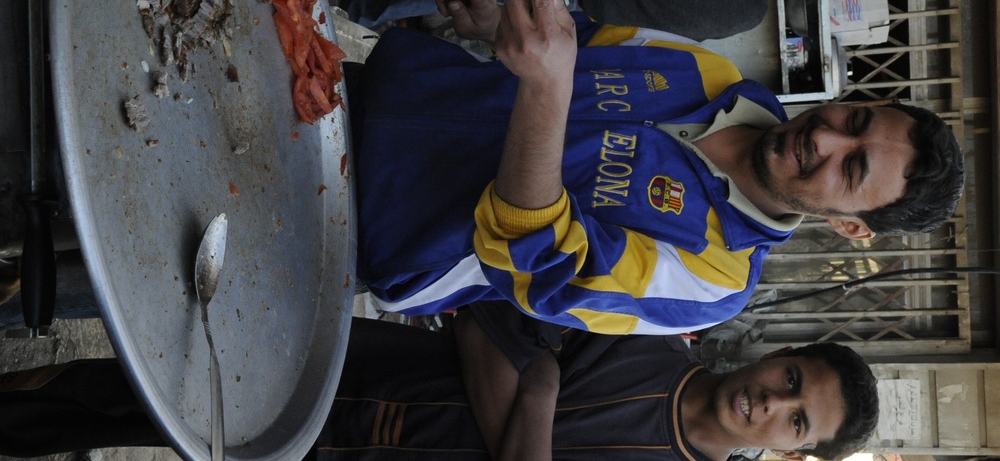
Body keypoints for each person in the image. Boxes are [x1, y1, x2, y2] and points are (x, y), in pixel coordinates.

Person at [351, 0, 965, 336]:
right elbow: (580, 40)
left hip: (367, 225)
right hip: (357, 88)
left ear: (851, 228)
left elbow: (540, 266)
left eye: (851, 166)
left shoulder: (715, 279)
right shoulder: (710, 72)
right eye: (853, 117)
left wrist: (547, 88)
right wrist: (494, 26)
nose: (825, 136)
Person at [0, 301, 879, 461]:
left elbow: (523, 359)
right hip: (348, 366)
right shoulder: (643, 335)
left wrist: (541, 390)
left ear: (792, 450)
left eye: (796, 421)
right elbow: (487, 325)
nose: (773, 402)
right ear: (778, 355)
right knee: (124, 390)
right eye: (792, 377)